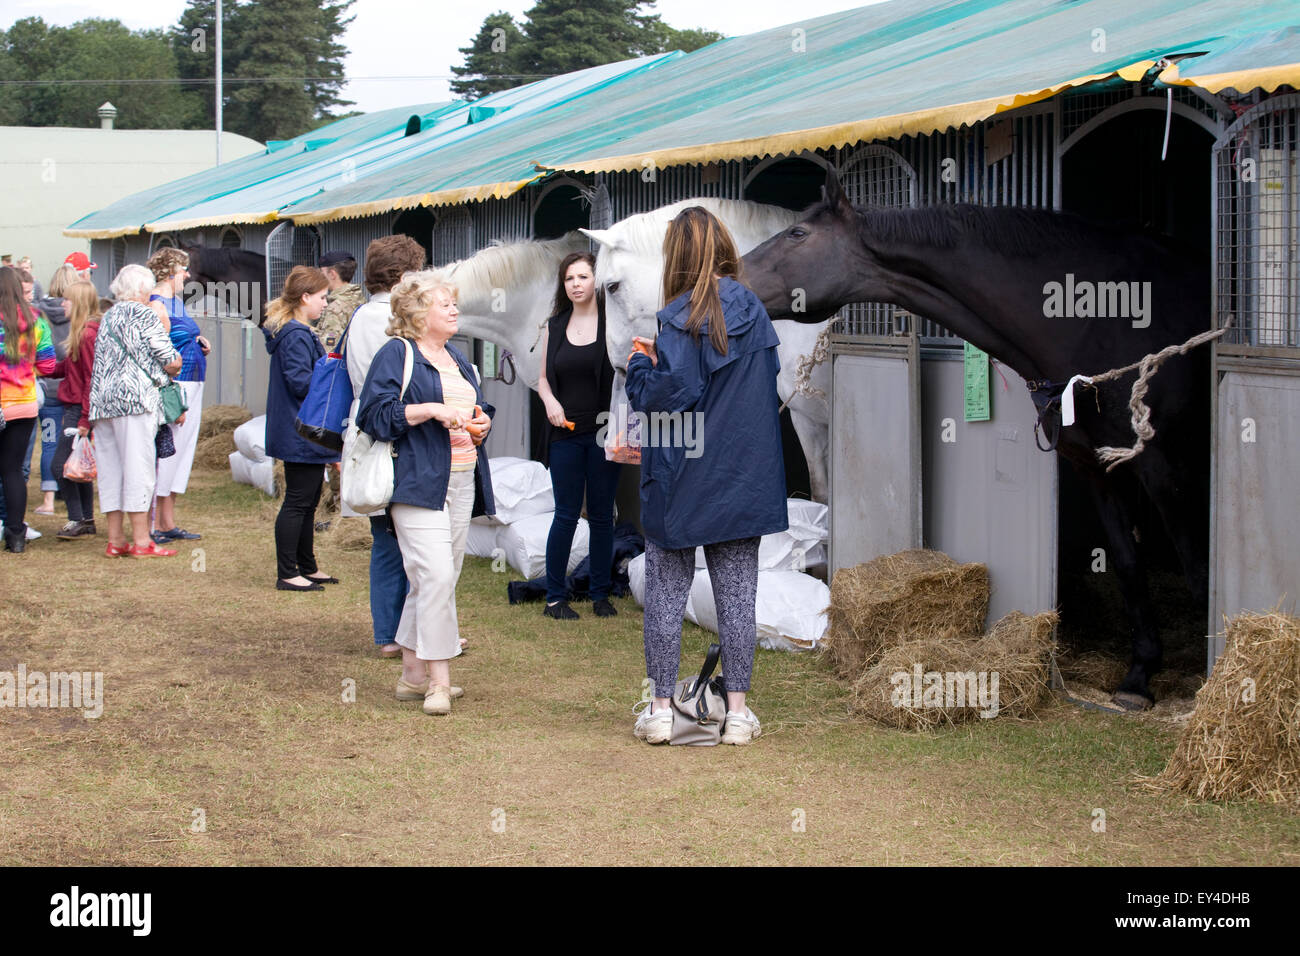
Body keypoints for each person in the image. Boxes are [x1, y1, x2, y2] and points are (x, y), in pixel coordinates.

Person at [625, 206, 788, 746]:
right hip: (744, 476)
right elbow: (768, 379)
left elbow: (666, 400)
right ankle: (737, 715)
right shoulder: (756, 314)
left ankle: (661, 710)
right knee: (738, 600)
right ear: (723, 248)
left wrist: (640, 367)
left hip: (680, 478)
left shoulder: (674, 320)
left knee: (666, 599)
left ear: (678, 254)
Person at [356, 273, 494, 716]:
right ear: (418, 314)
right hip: (416, 481)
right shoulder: (397, 353)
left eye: (454, 303)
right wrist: (430, 410)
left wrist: (481, 421)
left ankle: (412, 677)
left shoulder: (458, 357)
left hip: (460, 479)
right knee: (435, 577)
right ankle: (439, 682)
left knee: (436, 580)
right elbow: (374, 415)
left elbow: (474, 406)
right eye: (444, 304)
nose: (454, 310)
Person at [344, 235, 425, 657]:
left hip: (365, 427)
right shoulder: (391, 321)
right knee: (406, 540)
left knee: (386, 538)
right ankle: (403, 633)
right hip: (392, 431)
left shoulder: (359, 315)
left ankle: (389, 632)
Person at [536, 252, 622, 620]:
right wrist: (550, 402)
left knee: (602, 516)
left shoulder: (614, 324)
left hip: (605, 433)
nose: (575, 284)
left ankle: (601, 594)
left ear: (596, 281)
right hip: (564, 433)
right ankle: (555, 597)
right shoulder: (553, 326)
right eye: (569, 278)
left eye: (583, 277)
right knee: (566, 514)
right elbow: (542, 380)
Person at [86, 264, 183, 558]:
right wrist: (176, 356)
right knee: (139, 466)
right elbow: (169, 359)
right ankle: (142, 541)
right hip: (135, 401)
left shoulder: (109, 315)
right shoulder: (144, 313)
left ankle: (115, 540)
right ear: (142, 289)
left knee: (111, 469)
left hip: (103, 402)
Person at [263, 265, 338, 591]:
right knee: (297, 501)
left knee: (309, 500)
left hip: (301, 431)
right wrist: (332, 376)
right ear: (305, 297)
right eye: (322, 297)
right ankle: (287, 572)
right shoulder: (295, 335)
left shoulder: (298, 331)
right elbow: (300, 383)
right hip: (299, 432)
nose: (325, 303)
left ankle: (306, 565)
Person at [146, 248, 210, 544]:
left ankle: (168, 520)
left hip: (194, 381)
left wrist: (199, 342)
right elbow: (157, 351)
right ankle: (154, 522)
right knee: (169, 452)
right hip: (178, 385)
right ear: (171, 270)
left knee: (182, 454)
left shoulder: (175, 302)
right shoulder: (157, 304)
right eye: (184, 269)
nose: (187, 274)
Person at [0, 266, 57, 552]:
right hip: (23, 404)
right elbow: (48, 365)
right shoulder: (36, 320)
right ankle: (16, 536)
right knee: (12, 471)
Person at [50, 280, 100, 539]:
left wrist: (84, 417)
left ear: (78, 303)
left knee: (60, 465)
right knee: (78, 465)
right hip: (74, 406)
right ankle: (86, 519)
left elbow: (91, 377)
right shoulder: (81, 332)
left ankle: (76, 518)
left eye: (67, 300)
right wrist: (44, 366)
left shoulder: (87, 335)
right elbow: (72, 370)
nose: (62, 304)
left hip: (77, 410)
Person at [32, 263, 78, 516]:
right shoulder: (78, 313)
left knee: (49, 442)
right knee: (72, 441)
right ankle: (71, 487)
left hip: (47, 386)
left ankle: (49, 499)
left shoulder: (38, 312)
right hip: (71, 388)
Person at [315, 251, 364, 351]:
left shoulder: (335, 308)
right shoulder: (359, 298)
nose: (320, 277)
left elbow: (328, 349)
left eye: (322, 273)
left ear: (332, 274)